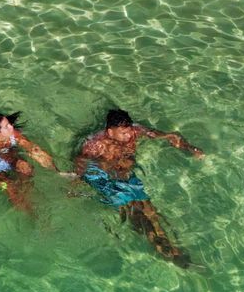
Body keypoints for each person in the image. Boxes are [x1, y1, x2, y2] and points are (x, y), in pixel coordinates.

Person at [73, 108, 204, 266]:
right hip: (105, 179)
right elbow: (80, 165)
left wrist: (190, 148)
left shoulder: (135, 131)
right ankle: (165, 251)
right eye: (123, 133)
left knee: (150, 210)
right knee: (135, 213)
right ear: (110, 131)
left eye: (129, 131)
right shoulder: (94, 145)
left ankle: (175, 247)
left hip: (126, 175)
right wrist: (75, 186)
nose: (129, 135)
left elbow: (171, 136)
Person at [0, 111, 59, 217]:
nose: (11, 127)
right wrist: (5, 184)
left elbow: (33, 148)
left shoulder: (14, 134)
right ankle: (30, 214)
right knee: (11, 189)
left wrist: (55, 170)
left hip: (11, 158)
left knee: (27, 168)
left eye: (9, 124)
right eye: (6, 127)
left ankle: (29, 196)